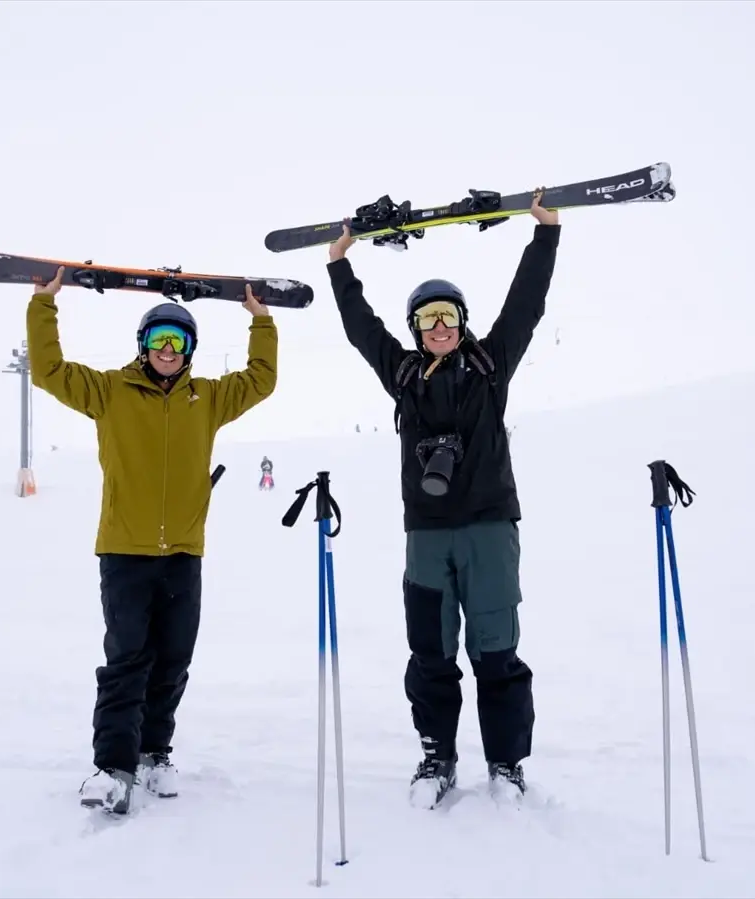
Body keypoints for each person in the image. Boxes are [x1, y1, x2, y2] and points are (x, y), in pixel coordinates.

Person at [326, 190, 561, 808]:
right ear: (415, 328)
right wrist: (339, 265)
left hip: (488, 531)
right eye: (428, 319)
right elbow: (361, 330)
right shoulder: (401, 375)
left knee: (496, 651)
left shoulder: (490, 365)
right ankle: (438, 757)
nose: (438, 329)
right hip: (426, 538)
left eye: (448, 318)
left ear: (462, 323)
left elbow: (526, 307)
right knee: (430, 654)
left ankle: (506, 766)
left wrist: (545, 235)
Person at [26, 266, 278, 815]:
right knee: (126, 662)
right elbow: (47, 371)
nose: (169, 349)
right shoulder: (110, 391)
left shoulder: (207, 399)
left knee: (172, 662)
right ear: (143, 345)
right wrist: (45, 307)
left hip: (184, 554)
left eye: (179, 341)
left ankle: (153, 753)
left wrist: (260, 321)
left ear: (190, 350)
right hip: (125, 552)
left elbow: (261, 379)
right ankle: (113, 766)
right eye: (160, 339)